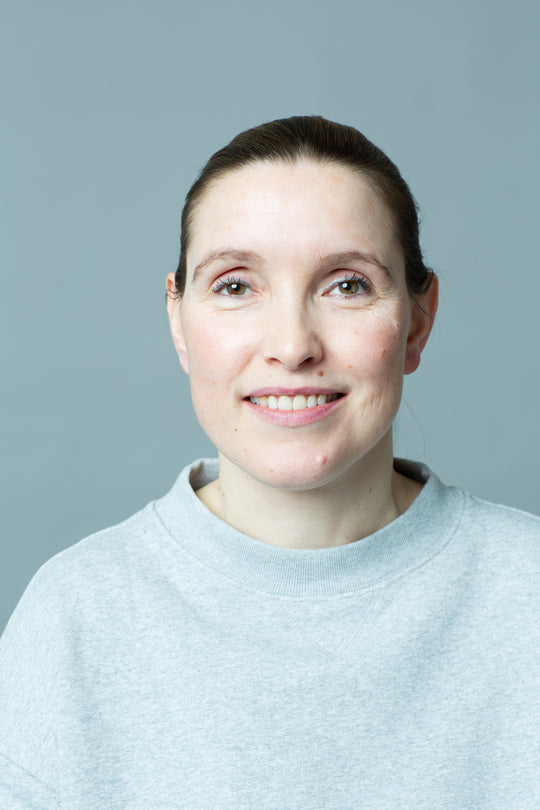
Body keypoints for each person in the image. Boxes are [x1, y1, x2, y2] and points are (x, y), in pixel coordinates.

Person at [1, 116, 539, 809]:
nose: (292, 345)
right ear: (178, 321)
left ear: (418, 321)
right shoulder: (74, 616)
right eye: (235, 286)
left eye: (347, 285)